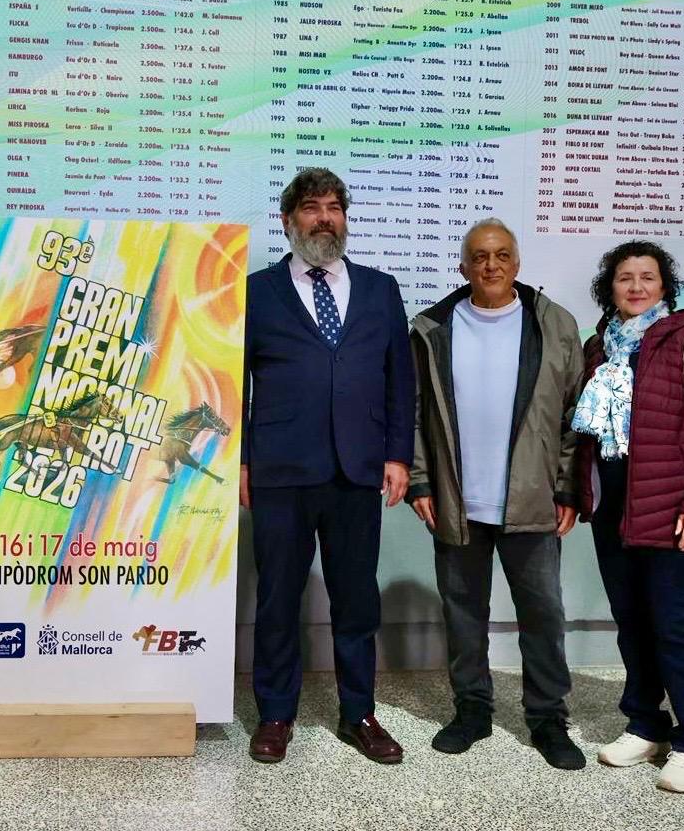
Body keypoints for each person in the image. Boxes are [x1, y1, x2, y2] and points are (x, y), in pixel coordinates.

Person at [241, 167, 414, 765]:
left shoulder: (380, 289)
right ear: (288, 221)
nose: (324, 218)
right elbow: (233, 382)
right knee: (278, 599)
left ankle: (359, 712)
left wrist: (398, 455)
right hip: (280, 471)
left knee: (356, 599)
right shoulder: (256, 292)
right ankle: (275, 713)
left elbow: (400, 380)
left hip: (357, 471)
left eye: (334, 207)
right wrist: (242, 462)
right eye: (312, 207)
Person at [407, 219, 586, 770]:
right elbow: (412, 413)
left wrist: (567, 487)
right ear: (463, 265)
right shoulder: (431, 328)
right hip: (456, 501)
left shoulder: (555, 324)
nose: (491, 265)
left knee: (543, 614)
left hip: (532, 500)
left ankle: (548, 718)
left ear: (517, 263)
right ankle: (472, 710)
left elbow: (574, 415)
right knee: (463, 613)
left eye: (502, 255)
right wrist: (420, 480)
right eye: (480, 256)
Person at [569, 241, 684, 793]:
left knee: (673, 625)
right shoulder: (599, 347)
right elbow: (585, 437)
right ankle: (645, 724)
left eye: (648, 277)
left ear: (665, 287)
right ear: (609, 288)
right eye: (625, 278)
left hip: (671, 510)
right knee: (631, 621)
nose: (636, 286)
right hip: (612, 508)